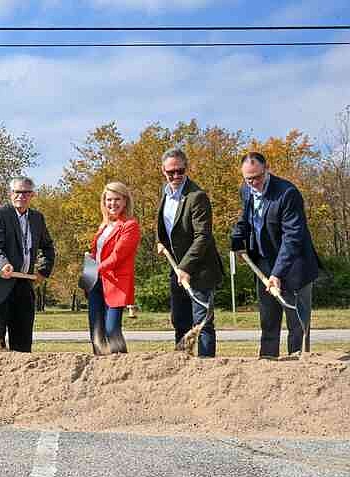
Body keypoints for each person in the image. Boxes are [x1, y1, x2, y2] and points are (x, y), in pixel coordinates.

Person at [230, 152, 321, 357]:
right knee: (269, 323)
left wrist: (278, 273)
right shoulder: (246, 190)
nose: (253, 183)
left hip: (295, 266)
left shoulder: (287, 193)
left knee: (297, 326)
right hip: (264, 264)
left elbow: (293, 238)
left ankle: (298, 369)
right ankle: (268, 367)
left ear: (266, 169)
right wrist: (236, 241)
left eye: (257, 177)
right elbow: (245, 220)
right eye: (248, 178)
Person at [156, 148, 224, 357]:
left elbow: (202, 236)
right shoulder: (165, 192)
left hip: (200, 269)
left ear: (187, 168)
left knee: (202, 323)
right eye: (171, 172)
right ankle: (182, 364)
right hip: (176, 269)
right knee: (180, 320)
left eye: (180, 171)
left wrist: (186, 267)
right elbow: (166, 224)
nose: (176, 176)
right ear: (163, 171)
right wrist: (161, 241)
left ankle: (205, 369)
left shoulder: (197, 196)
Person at [0, 176, 55, 352]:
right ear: (10, 194)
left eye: (26, 192)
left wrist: (43, 270)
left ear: (32, 195)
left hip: (24, 285)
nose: (21, 196)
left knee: (23, 343)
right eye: (17, 192)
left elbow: (48, 248)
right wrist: (3, 264)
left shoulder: (37, 218)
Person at [86, 182, 141, 355]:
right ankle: (100, 370)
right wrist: (88, 272)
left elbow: (118, 256)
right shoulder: (103, 226)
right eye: (109, 199)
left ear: (125, 201)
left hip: (116, 283)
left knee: (111, 330)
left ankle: (122, 368)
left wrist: (96, 269)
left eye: (117, 199)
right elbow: (97, 253)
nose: (113, 203)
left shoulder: (130, 225)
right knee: (96, 331)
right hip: (96, 282)